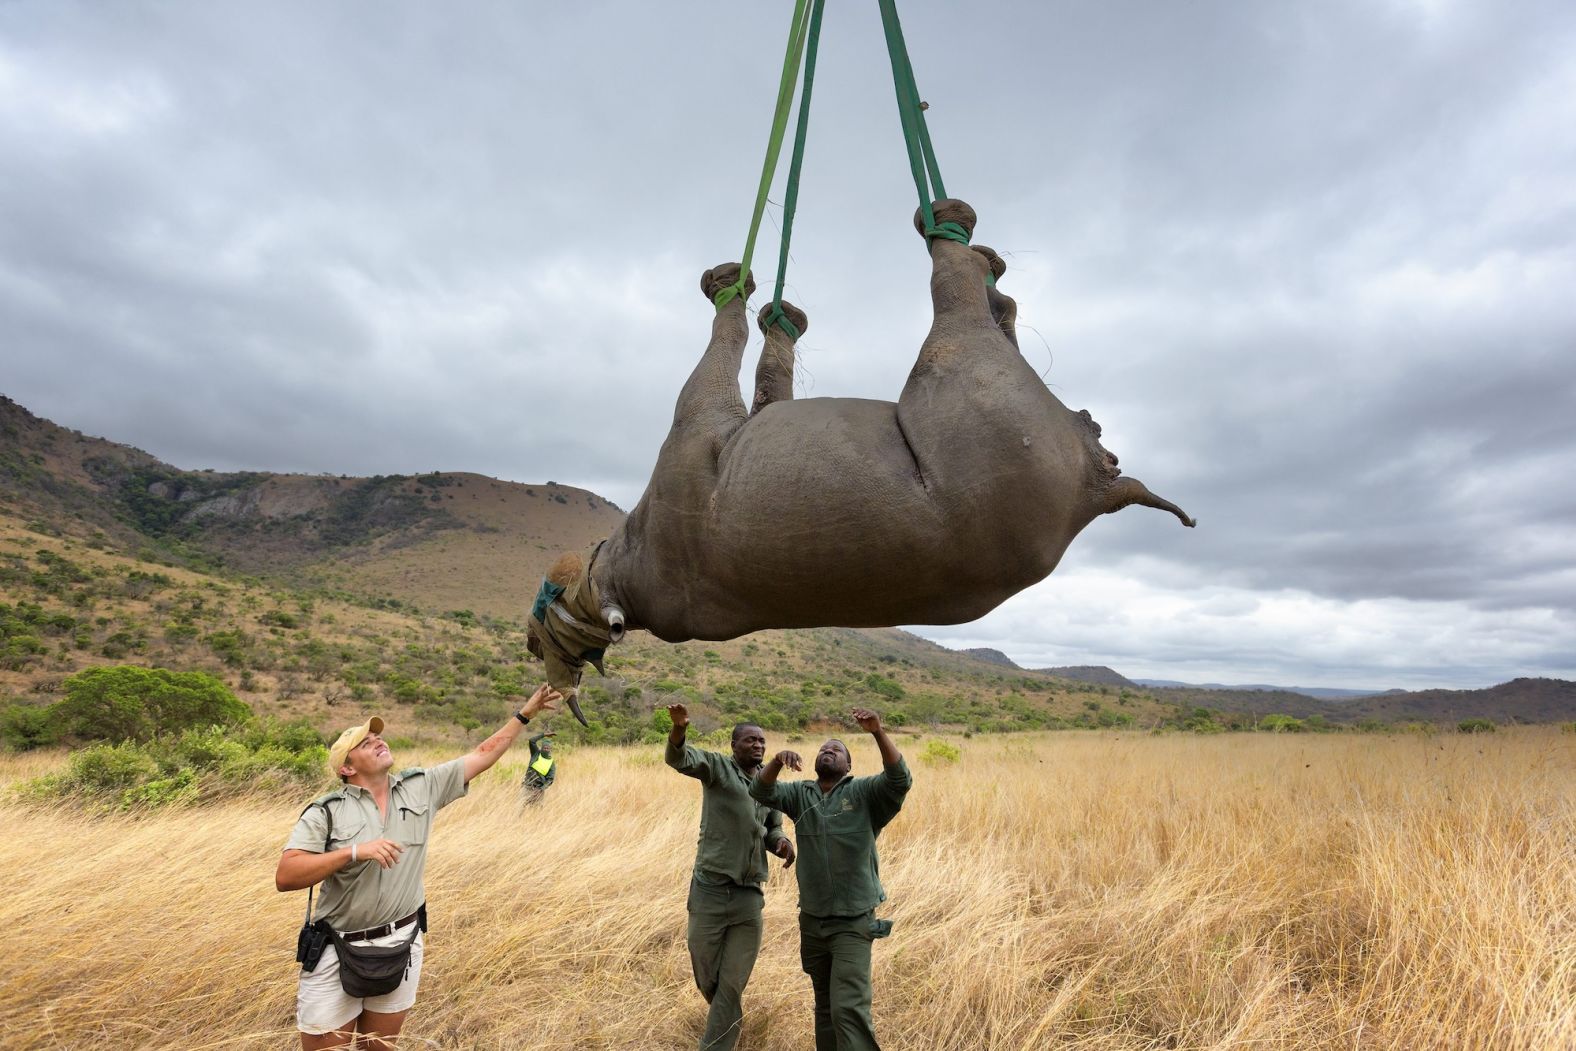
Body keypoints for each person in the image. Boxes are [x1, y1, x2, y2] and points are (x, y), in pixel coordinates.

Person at [276, 683, 561, 1050]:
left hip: (402, 941)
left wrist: (525, 714)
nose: (379, 741)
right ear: (347, 767)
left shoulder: (420, 786)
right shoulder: (326, 811)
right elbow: (286, 875)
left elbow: (482, 753)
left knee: (380, 1046)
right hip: (338, 947)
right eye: (365, 743)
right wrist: (354, 852)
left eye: (378, 736)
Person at [749, 708, 910, 1051]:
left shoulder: (865, 793)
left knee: (848, 1008)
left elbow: (900, 780)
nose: (829, 750)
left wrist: (878, 732)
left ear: (849, 766)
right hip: (812, 920)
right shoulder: (800, 794)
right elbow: (760, 792)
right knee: (824, 1006)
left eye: (837, 749)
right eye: (824, 747)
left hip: (853, 922)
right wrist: (776, 761)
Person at [664, 701, 796, 1051]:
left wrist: (781, 842)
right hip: (709, 891)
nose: (759, 746)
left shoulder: (767, 786)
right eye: (751, 740)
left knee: (732, 985)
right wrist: (680, 728)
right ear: (734, 745)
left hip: (748, 898)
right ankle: (727, 1016)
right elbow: (679, 759)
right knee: (709, 977)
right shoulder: (718, 768)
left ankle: (716, 1043)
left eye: (762, 741)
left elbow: (772, 827)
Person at [520, 731, 557, 805]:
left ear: (550, 750)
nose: (546, 749)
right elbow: (532, 741)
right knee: (520, 806)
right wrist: (544, 735)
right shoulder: (536, 754)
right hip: (527, 786)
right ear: (541, 748)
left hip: (538, 791)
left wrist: (541, 789)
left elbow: (550, 780)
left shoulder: (551, 763)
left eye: (548, 748)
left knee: (536, 811)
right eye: (544, 748)